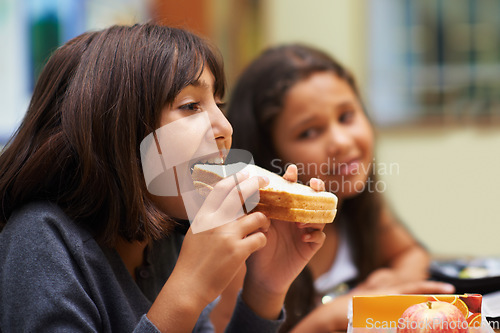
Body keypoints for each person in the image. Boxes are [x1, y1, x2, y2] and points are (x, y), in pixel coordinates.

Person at [0, 24, 328, 332]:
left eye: (218, 104)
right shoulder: (41, 239)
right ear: (118, 130)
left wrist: (265, 290)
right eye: (190, 106)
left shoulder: (166, 241)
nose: (225, 129)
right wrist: (187, 291)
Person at [222, 44, 455, 332]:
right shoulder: (247, 243)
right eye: (309, 132)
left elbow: (411, 253)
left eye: (346, 117)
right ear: (271, 156)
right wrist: (328, 319)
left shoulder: (353, 204)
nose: (342, 142)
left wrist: (389, 282)